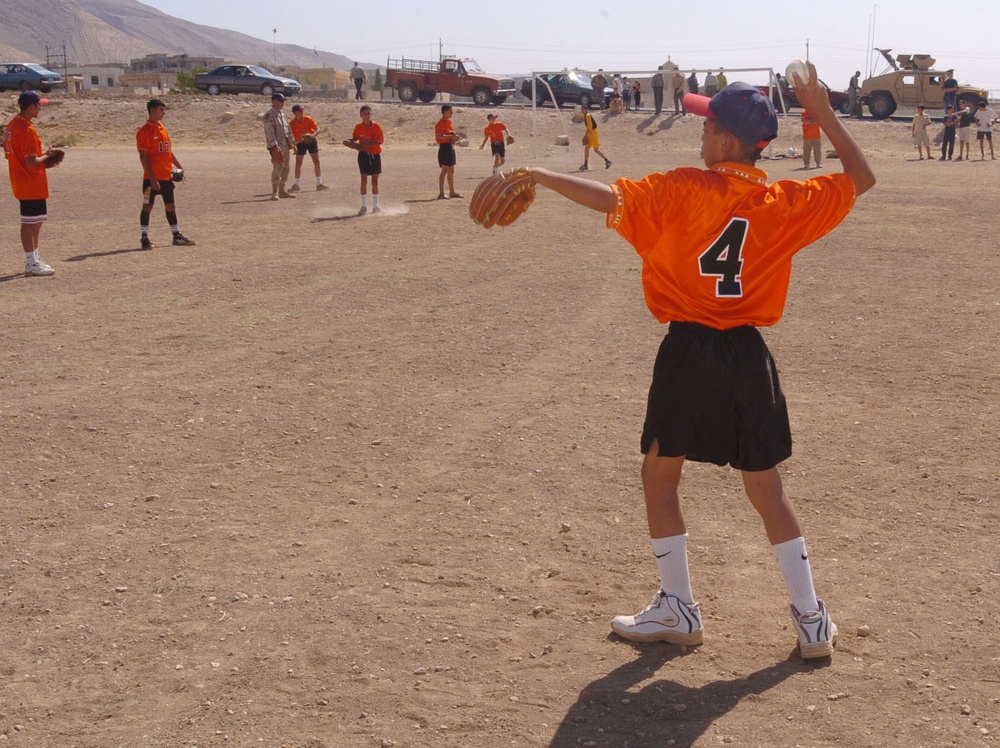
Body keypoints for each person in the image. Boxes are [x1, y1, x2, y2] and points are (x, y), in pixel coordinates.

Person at [520, 67, 875, 660]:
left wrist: (539, 174)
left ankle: (679, 608)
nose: (700, 133)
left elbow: (612, 198)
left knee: (660, 478)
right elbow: (861, 178)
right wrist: (822, 108)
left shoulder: (684, 187)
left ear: (729, 142)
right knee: (766, 489)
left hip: (688, 350)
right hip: (745, 354)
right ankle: (812, 620)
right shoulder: (784, 201)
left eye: (708, 126)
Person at [3, 91, 62, 276]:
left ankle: (34, 259)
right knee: (30, 223)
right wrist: (48, 156)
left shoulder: (12, 125)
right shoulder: (26, 129)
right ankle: (31, 262)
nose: (40, 108)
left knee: (35, 222)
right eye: (38, 105)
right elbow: (31, 162)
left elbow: (11, 153)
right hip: (30, 182)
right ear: (31, 107)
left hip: (21, 181)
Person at [136, 98, 195, 250]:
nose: (164, 113)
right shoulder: (144, 132)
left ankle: (176, 236)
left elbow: (167, 150)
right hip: (151, 180)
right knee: (147, 207)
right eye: (161, 110)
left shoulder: (162, 128)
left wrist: (178, 165)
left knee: (170, 206)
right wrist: (152, 179)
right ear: (152, 111)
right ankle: (144, 238)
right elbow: (143, 157)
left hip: (166, 177)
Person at [345, 104, 384, 215]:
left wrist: (366, 146)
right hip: (363, 155)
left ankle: (375, 206)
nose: (367, 116)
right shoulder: (358, 127)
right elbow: (355, 138)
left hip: (375, 154)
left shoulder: (376, 127)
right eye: (364, 114)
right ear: (361, 115)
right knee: (363, 179)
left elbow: (379, 142)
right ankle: (363, 206)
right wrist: (348, 141)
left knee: (375, 180)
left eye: (368, 113)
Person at [263, 93, 296, 200]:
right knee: (278, 167)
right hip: (276, 146)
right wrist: (274, 146)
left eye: (283, 101)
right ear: (274, 101)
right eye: (280, 101)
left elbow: (288, 130)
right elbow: (269, 132)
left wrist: (293, 144)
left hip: (285, 145)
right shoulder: (269, 115)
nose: (282, 103)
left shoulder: (281, 114)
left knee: (286, 167)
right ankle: (274, 192)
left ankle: (282, 190)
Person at [288, 104, 328, 192]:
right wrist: (294, 145)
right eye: (300, 111)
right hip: (300, 143)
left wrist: (312, 136)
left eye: (302, 110)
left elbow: (318, 129)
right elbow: (291, 138)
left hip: (311, 141)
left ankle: (319, 183)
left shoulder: (308, 119)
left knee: (316, 161)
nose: (302, 112)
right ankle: (296, 184)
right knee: (298, 163)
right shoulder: (291, 124)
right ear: (295, 113)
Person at [435, 104, 462, 199]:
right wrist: (450, 137)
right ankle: (441, 193)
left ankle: (452, 192)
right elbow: (438, 136)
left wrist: (454, 138)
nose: (452, 113)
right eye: (450, 111)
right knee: (444, 170)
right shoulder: (440, 124)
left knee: (451, 170)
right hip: (444, 147)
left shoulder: (449, 123)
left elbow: (450, 135)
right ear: (445, 112)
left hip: (450, 146)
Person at [579, 103, 611, 171]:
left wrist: (586, 135)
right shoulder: (586, 115)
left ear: (586, 110)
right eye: (581, 109)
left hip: (592, 133)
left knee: (595, 149)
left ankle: (607, 161)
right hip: (592, 133)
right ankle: (586, 164)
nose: (581, 110)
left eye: (583, 109)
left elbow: (589, 127)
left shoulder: (587, 115)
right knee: (588, 149)